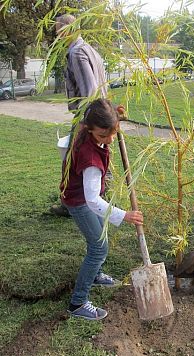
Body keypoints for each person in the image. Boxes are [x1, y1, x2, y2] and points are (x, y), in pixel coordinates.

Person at [61, 99, 143, 320]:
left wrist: (115, 115)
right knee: (98, 248)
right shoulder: (90, 159)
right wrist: (124, 215)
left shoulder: (88, 127)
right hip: (80, 201)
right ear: (89, 129)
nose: (109, 140)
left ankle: (95, 275)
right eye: (102, 136)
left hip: (78, 196)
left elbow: (100, 112)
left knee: (100, 242)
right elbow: (93, 201)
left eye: (113, 133)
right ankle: (78, 303)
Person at [50, 14, 108, 217]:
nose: (58, 36)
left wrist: (85, 124)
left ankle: (74, 203)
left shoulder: (77, 53)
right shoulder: (90, 49)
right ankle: (99, 198)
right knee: (95, 157)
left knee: (73, 160)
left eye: (59, 32)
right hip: (100, 116)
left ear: (69, 29)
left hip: (88, 117)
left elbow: (90, 91)